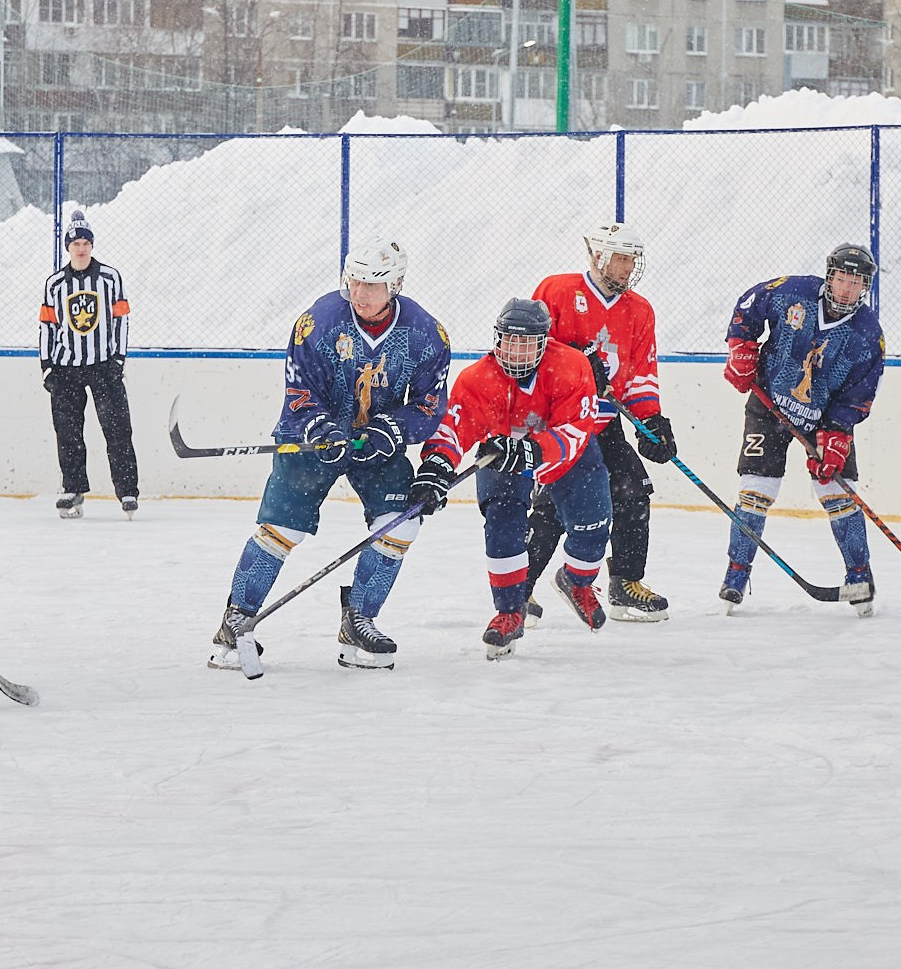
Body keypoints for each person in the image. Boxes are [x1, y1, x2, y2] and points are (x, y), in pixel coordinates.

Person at [208, 240, 452, 673]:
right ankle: (237, 618)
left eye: (372, 284)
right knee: (281, 528)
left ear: (395, 284)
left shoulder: (425, 334)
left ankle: (359, 619)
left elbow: (430, 405)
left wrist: (392, 429)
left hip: (377, 445)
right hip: (312, 440)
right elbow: (299, 392)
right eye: (355, 280)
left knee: (401, 523)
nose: (360, 292)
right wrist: (321, 428)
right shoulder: (317, 322)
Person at [406, 297, 615, 660]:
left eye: (526, 342)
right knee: (501, 528)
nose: (515, 350)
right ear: (497, 338)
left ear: (544, 341)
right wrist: (436, 467)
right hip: (503, 459)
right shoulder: (477, 378)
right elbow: (452, 430)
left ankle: (577, 582)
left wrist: (534, 450)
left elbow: (576, 429)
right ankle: (509, 612)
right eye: (508, 340)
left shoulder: (571, 365)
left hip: (565, 457)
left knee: (593, 524)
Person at [521, 223, 678, 622]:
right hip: (562, 422)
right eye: (620, 258)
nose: (626, 268)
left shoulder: (640, 310)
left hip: (605, 424)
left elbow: (641, 373)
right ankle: (520, 589)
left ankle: (624, 584)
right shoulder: (556, 291)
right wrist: (574, 358)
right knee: (555, 507)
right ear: (597, 256)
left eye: (631, 260)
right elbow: (529, 349)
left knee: (633, 491)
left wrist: (651, 421)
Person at [719, 243, 886, 615]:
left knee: (839, 496)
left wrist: (838, 433)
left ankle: (860, 577)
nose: (846, 289)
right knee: (754, 493)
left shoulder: (867, 333)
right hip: (768, 404)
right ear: (830, 276)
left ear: (865, 288)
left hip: (824, 418)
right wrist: (741, 347)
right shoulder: (793, 292)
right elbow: (749, 305)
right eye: (841, 278)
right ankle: (736, 576)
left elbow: (861, 392)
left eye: (855, 283)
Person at [38, 212, 139, 518]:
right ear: (68, 247)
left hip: (104, 366)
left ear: (91, 246)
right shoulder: (55, 284)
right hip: (66, 368)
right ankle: (73, 489)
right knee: (68, 432)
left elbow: (122, 318)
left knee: (118, 429)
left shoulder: (110, 278)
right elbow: (47, 326)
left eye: (85, 243)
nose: (81, 248)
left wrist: (118, 357)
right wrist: (47, 365)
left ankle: (127, 492)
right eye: (76, 243)